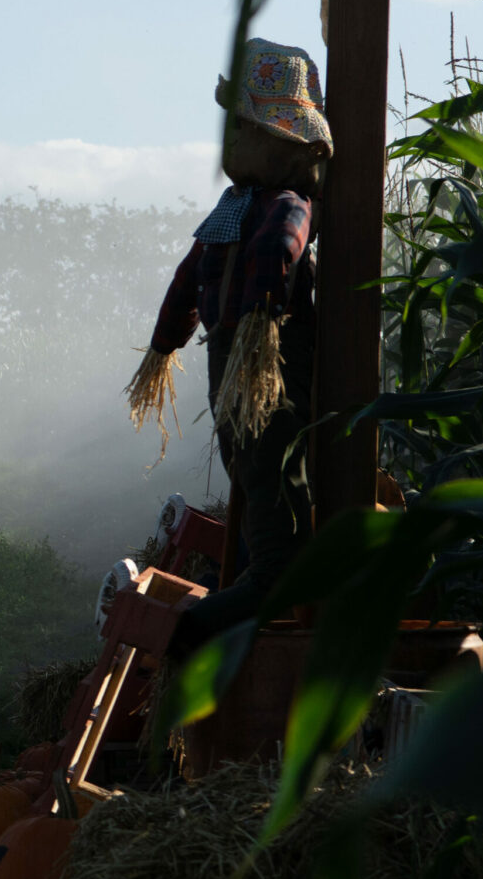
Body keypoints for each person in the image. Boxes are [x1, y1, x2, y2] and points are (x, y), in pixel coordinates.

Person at [124, 39, 333, 651]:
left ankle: (209, 617)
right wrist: (174, 345)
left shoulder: (255, 212)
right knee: (269, 515)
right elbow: (224, 269)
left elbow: (218, 273)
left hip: (245, 374)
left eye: (238, 128)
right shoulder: (259, 209)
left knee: (262, 483)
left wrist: (175, 348)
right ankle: (204, 623)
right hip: (251, 375)